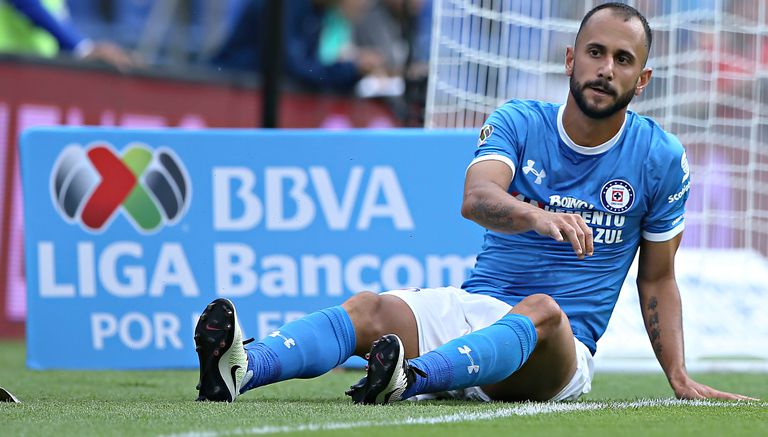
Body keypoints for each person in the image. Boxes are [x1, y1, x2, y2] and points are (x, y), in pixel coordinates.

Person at [194, 2, 757, 404]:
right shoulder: (519, 121)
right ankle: (243, 368)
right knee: (368, 308)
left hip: (557, 351)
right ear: (569, 59)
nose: (606, 68)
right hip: (476, 314)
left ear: (644, 78)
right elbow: (477, 197)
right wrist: (536, 214)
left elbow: (657, 279)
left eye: (623, 59)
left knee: (541, 307)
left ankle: (409, 377)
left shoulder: (660, 157)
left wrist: (679, 375)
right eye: (595, 52)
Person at [0, 0, 139, 71]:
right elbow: (27, 4)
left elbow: (59, 23)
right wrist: (84, 48)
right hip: (8, 66)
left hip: (40, 67)